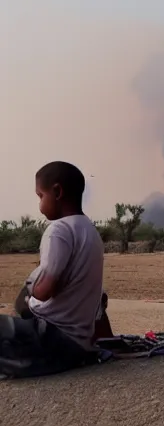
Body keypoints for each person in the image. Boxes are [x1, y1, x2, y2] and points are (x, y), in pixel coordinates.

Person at [0, 161, 104, 378]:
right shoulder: (91, 231)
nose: (39, 204)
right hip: (79, 347)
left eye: (40, 195)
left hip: (54, 341)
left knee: (19, 309)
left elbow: (46, 290)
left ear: (57, 192)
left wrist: (31, 288)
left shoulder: (58, 230)